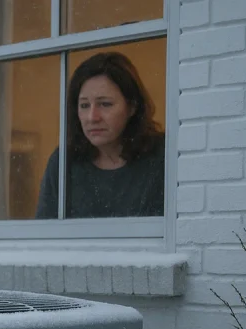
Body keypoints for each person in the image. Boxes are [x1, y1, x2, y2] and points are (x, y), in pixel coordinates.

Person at [35, 51, 165, 219]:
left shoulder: (162, 155)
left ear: (132, 107)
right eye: (84, 105)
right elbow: (45, 234)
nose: (92, 117)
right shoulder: (64, 162)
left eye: (105, 104)